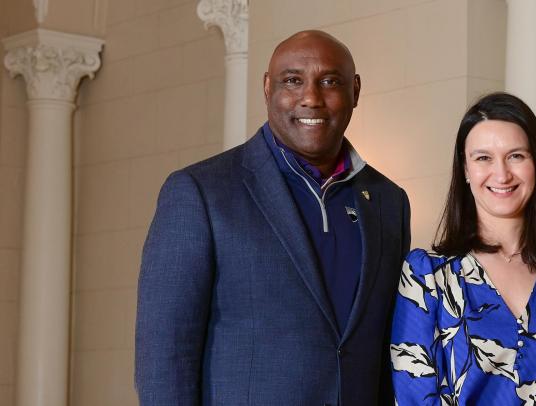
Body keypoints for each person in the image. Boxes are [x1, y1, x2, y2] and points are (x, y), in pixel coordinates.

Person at [135, 30, 410, 405]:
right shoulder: (201, 191)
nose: (311, 98)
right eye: (292, 81)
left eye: (329, 81)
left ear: (355, 91)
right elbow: (164, 355)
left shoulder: (388, 201)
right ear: (268, 88)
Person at [390, 92, 536, 405]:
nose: (502, 174)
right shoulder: (427, 277)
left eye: (516, 156)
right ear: (466, 170)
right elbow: (413, 395)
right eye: (483, 158)